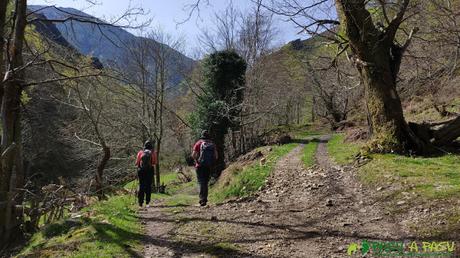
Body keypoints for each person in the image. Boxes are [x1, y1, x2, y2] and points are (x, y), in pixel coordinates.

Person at [192, 130, 218, 206]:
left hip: (199, 166)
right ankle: (205, 199)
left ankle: (201, 199)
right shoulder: (212, 144)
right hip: (208, 165)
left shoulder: (198, 143)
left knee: (201, 182)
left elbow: (193, 155)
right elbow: (216, 156)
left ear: (201, 135)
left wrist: (197, 160)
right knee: (206, 182)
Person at [135, 140, 157, 208]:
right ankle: (147, 202)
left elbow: (137, 163)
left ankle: (140, 203)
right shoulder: (153, 153)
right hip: (149, 171)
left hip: (141, 171)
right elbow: (154, 162)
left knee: (141, 185)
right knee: (148, 186)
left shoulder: (140, 152)